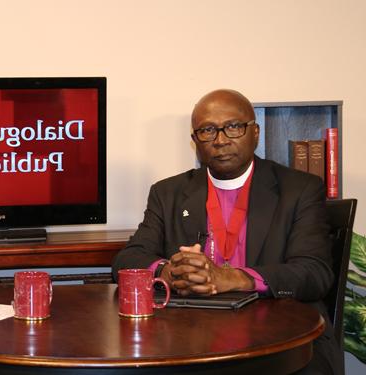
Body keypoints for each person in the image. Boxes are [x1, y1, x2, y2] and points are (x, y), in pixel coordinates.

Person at [112, 89, 341, 374]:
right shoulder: (168, 193)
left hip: (282, 337)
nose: (220, 140)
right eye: (207, 131)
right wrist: (169, 271)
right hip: (192, 339)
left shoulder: (300, 189)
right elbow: (127, 260)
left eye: (233, 127)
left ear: (254, 132)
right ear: (195, 141)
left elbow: (314, 273)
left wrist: (233, 278)